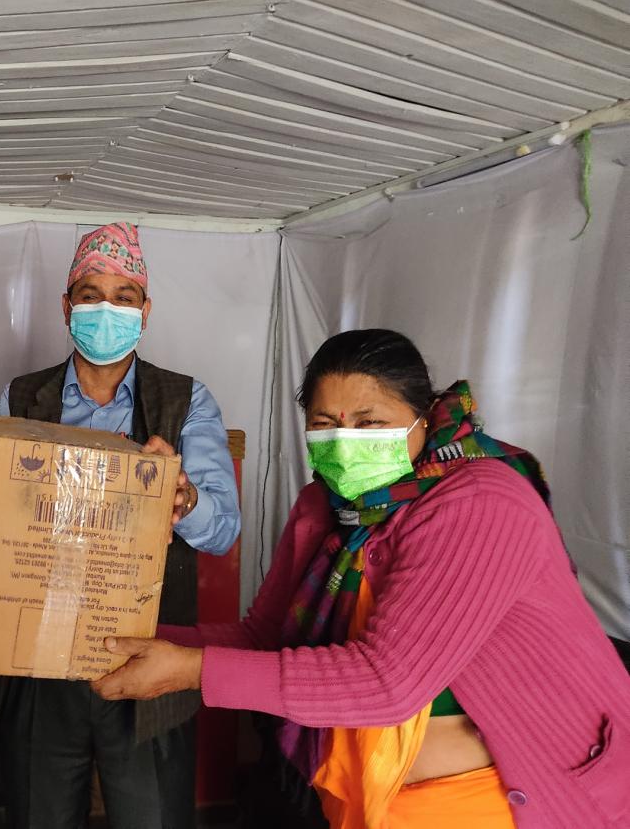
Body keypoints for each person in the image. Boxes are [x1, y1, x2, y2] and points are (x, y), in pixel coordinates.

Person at [93, 329, 630, 828]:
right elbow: (265, 636)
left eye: (370, 423)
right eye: (325, 423)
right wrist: (119, 640)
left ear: (424, 418)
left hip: (499, 799)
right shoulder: (326, 506)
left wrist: (190, 670)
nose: (344, 440)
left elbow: (388, 683)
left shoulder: (480, 502)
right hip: (362, 796)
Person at [0, 221, 241, 829]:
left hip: (149, 655)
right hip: (39, 659)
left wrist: (183, 498)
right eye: (91, 295)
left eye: (124, 297)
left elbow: (224, 531)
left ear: (145, 311)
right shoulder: (19, 398)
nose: (107, 309)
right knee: (40, 813)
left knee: (152, 815)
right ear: (66, 307)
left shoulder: (186, 401)